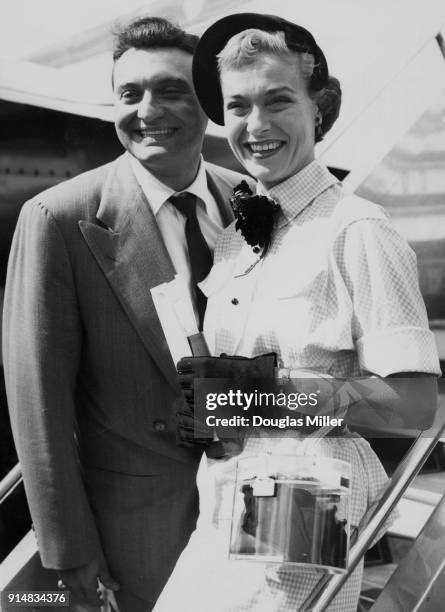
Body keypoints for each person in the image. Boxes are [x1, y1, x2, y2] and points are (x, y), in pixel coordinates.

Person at [152, 13, 441, 612]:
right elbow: (239, 391)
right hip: (228, 491)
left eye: (278, 100)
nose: (255, 125)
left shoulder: (358, 229)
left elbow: (415, 405)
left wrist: (266, 395)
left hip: (307, 489)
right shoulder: (235, 238)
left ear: (320, 107)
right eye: (238, 106)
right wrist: (212, 408)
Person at [2, 16, 252, 612]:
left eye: (170, 90)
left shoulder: (254, 202)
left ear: (210, 104)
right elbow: (39, 405)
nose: (147, 109)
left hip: (251, 515)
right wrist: (71, 555)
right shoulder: (58, 218)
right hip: (136, 537)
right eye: (129, 93)